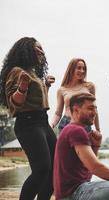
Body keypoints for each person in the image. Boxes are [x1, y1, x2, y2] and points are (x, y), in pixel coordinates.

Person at [53, 92, 109, 200]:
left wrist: (95, 146)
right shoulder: (76, 130)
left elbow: (87, 171)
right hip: (73, 194)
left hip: (72, 192)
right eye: (90, 108)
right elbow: (96, 168)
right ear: (76, 110)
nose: (94, 112)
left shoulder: (72, 130)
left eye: (95, 108)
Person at [0, 37, 57, 200]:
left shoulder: (33, 73)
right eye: (37, 48)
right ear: (26, 51)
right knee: (42, 168)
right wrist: (22, 87)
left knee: (54, 169)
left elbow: (38, 101)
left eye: (42, 48)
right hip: (28, 123)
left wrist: (45, 85)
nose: (42, 51)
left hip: (42, 122)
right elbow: (14, 103)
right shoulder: (17, 71)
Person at [50, 58, 100, 133]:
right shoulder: (62, 90)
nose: (82, 71)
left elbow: (94, 109)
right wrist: (51, 124)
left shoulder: (89, 87)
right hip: (66, 123)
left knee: (85, 145)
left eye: (84, 68)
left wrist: (98, 129)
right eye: (79, 68)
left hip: (85, 124)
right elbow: (58, 113)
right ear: (71, 69)